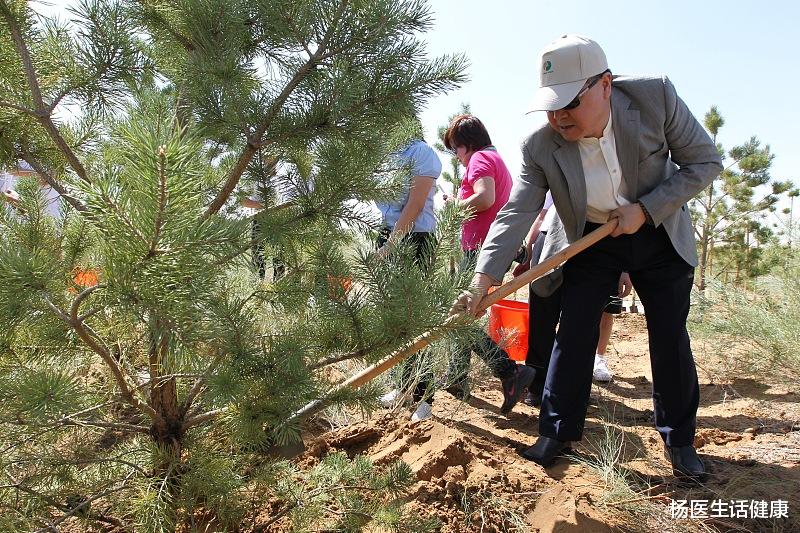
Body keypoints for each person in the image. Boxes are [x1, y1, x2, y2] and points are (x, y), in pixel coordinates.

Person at [458, 35, 722, 482]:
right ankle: (556, 431)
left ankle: (679, 438)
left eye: (569, 103)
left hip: (660, 233)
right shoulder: (540, 146)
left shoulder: (655, 97)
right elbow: (518, 210)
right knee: (574, 331)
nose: (559, 117)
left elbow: (704, 163)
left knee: (668, 335)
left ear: (604, 85)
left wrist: (646, 210)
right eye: (551, 106)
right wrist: (483, 278)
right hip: (591, 240)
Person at [442, 114, 536, 414]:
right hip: (489, 248)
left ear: (466, 145)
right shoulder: (493, 158)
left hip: (482, 250)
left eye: (455, 148)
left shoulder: (480, 159)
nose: (456, 156)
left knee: (462, 314)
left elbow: (484, 198)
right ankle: (458, 377)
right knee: (463, 315)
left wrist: (453, 205)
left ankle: (509, 371)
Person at [514, 194, 632, 408]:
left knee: (582, 325)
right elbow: (541, 216)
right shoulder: (561, 167)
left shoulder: (616, 171)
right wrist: (530, 254)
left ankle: (572, 392)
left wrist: (624, 268)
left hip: (597, 243)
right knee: (542, 318)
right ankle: (537, 387)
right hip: (551, 238)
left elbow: (624, 219)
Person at [375, 126, 441, 422]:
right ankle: (401, 386)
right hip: (388, 235)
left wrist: (389, 247)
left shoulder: (421, 153)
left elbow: (414, 206)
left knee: (417, 319)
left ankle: (424, 397)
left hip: (414, 240)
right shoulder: (384, 154)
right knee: (396, 320)